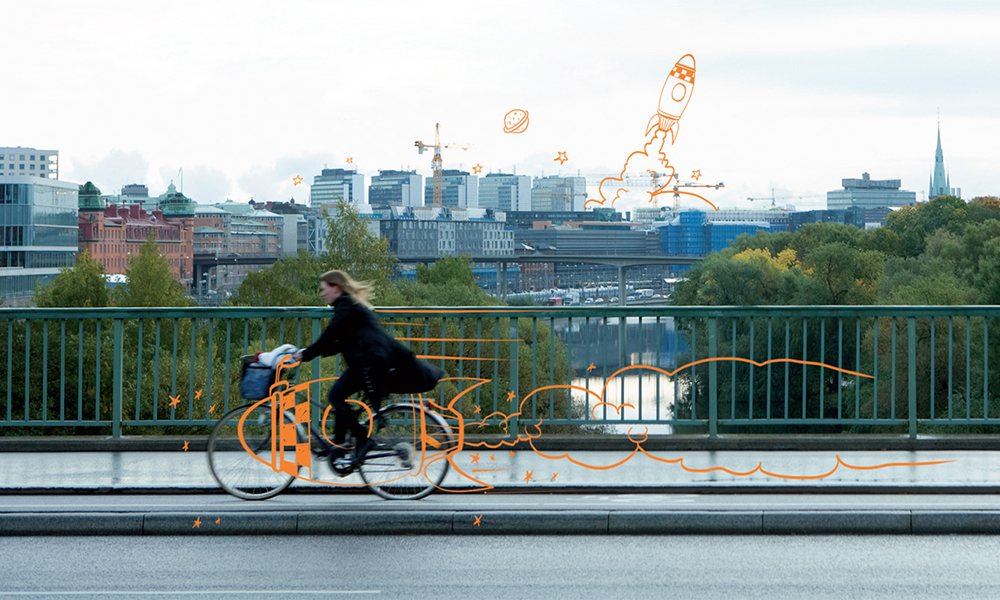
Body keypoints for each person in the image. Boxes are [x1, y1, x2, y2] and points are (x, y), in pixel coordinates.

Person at [291, 270, 437, 468]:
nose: (322, 294)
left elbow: (331, 333)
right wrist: (308, 353)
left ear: (336, 287)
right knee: (339, 396)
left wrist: (305, 355)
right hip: (371, 361)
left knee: (335, 395)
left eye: (324, 289)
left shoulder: (345, 305)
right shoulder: (351, 305)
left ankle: (362, 439)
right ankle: (340, 444)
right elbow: (342, 341)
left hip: (370, 363)